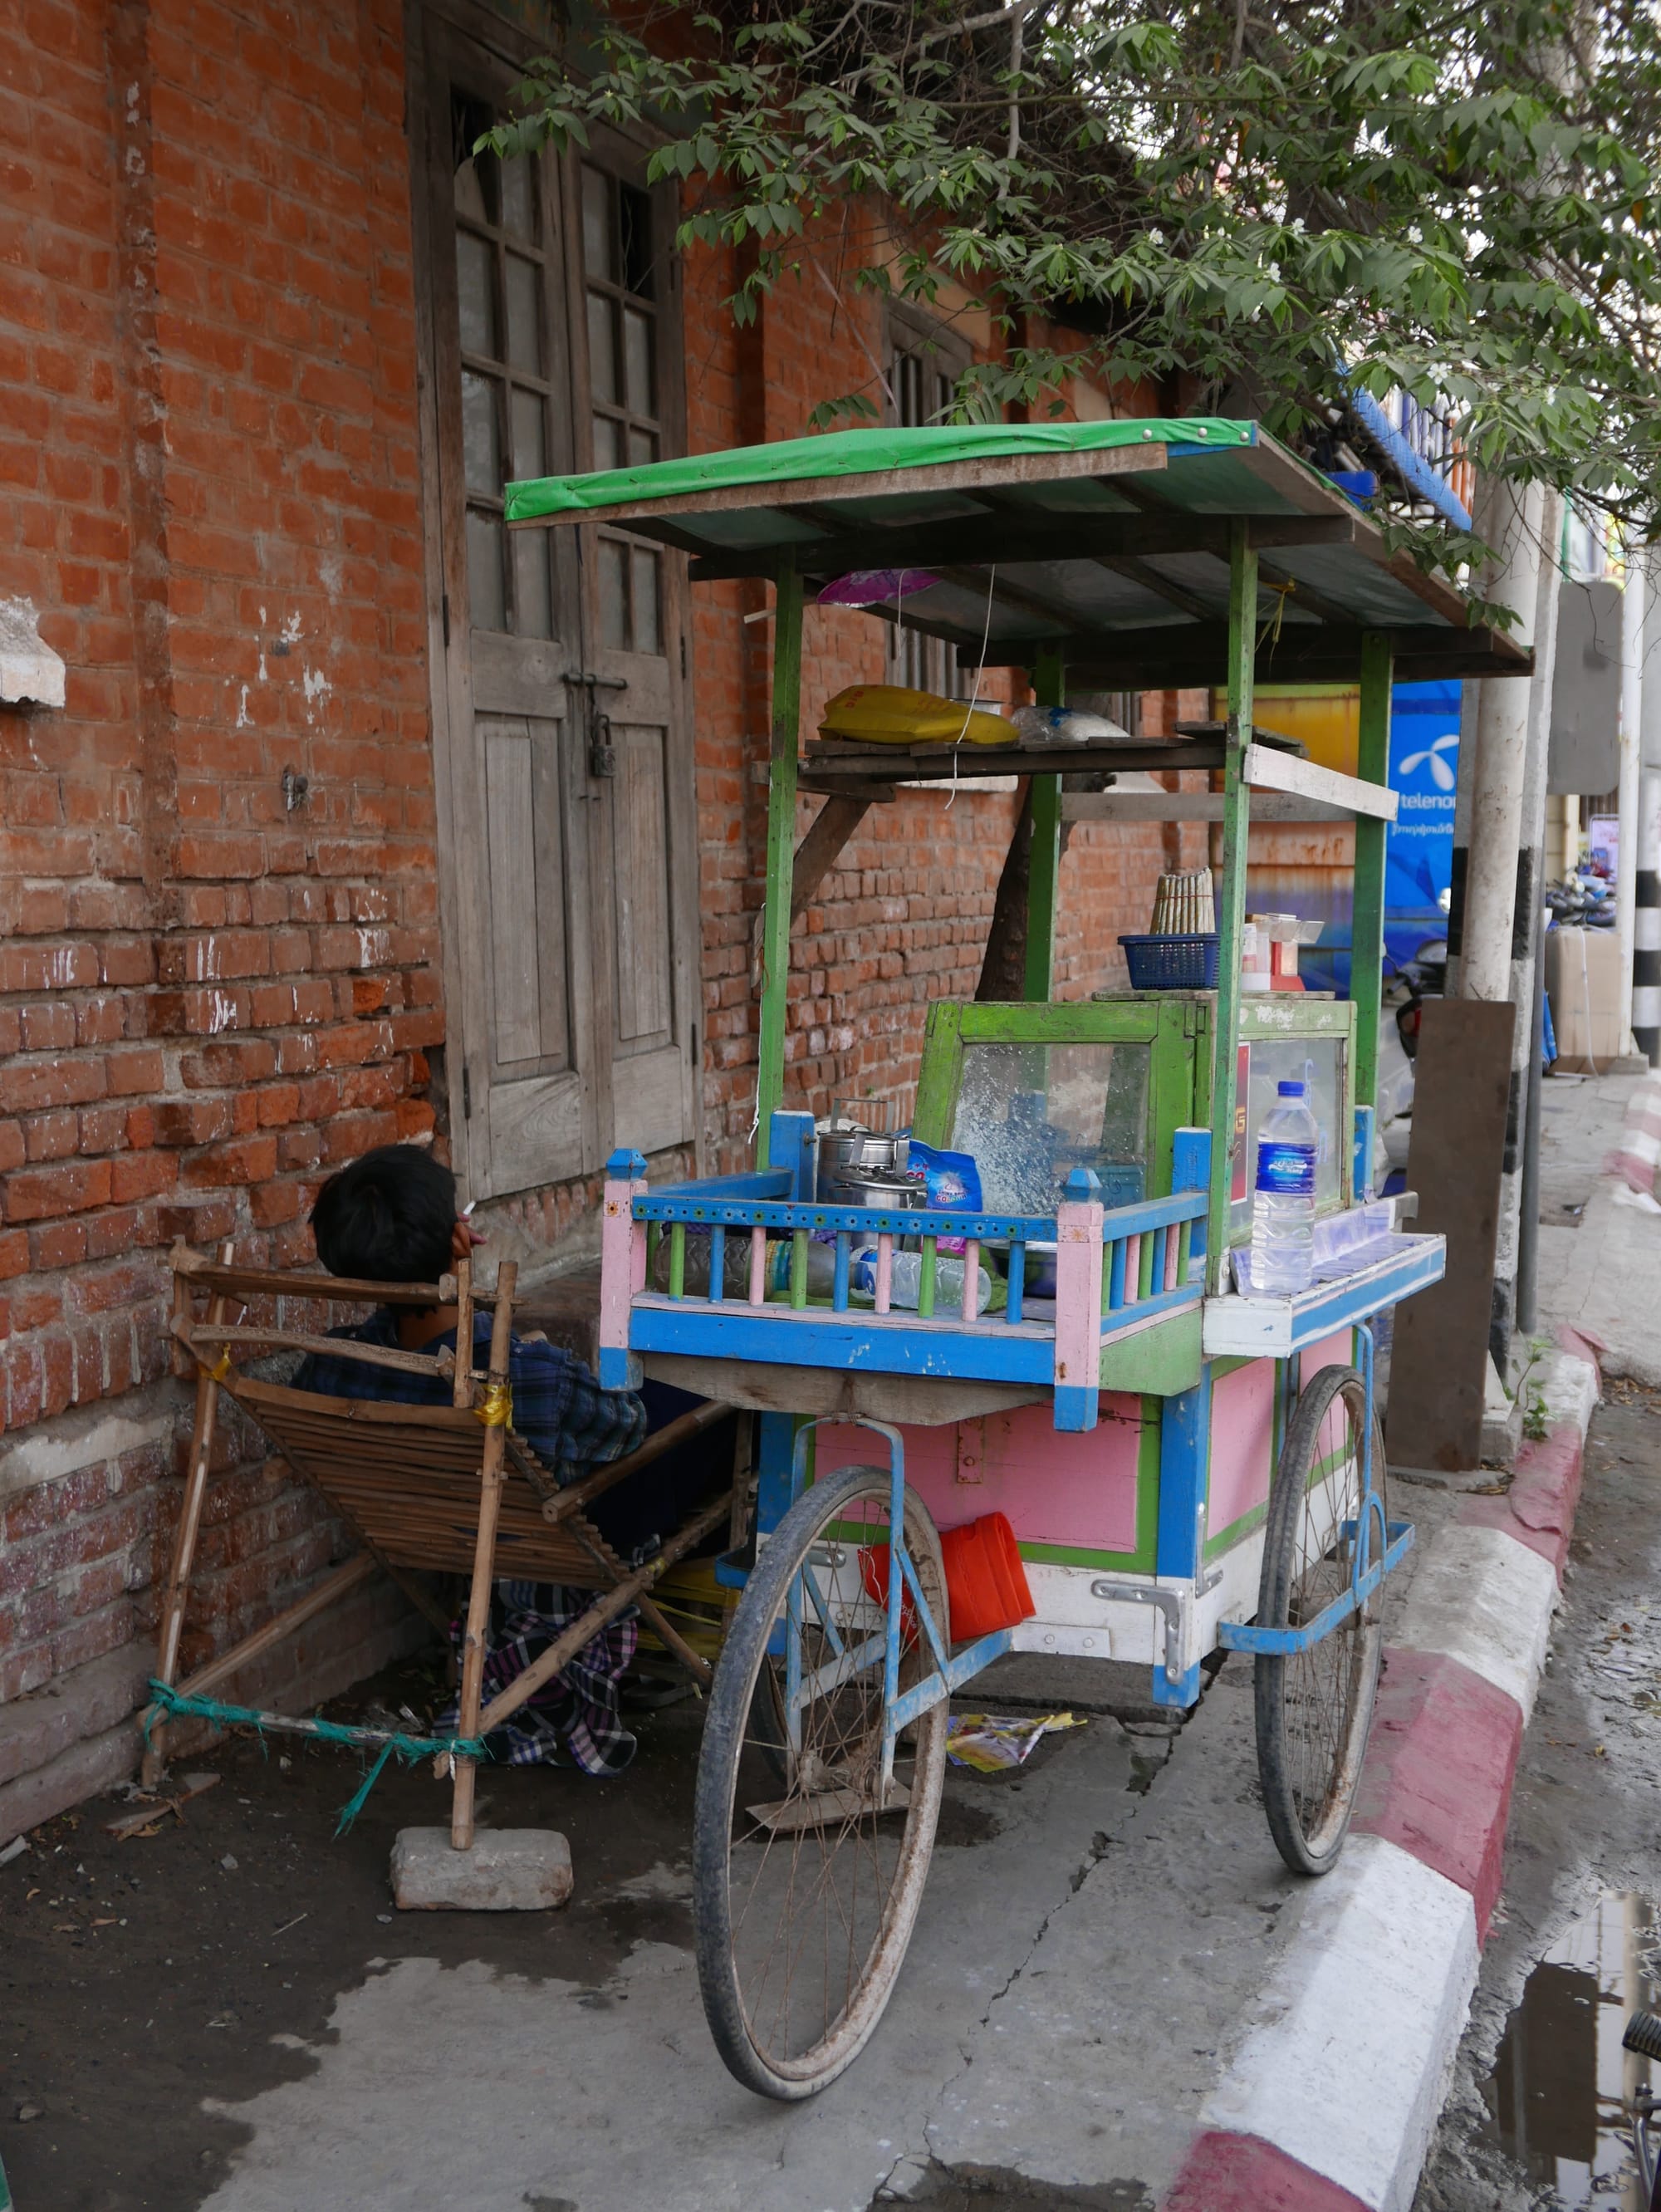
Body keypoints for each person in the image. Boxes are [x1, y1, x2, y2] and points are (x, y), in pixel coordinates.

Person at [294, 1144, 650, 1777]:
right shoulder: (528, 1374)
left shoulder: (330, 1368)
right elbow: (628, 1429)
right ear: (459, 1239)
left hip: (424, 1529)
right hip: (527, 1542)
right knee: (688, 1412)